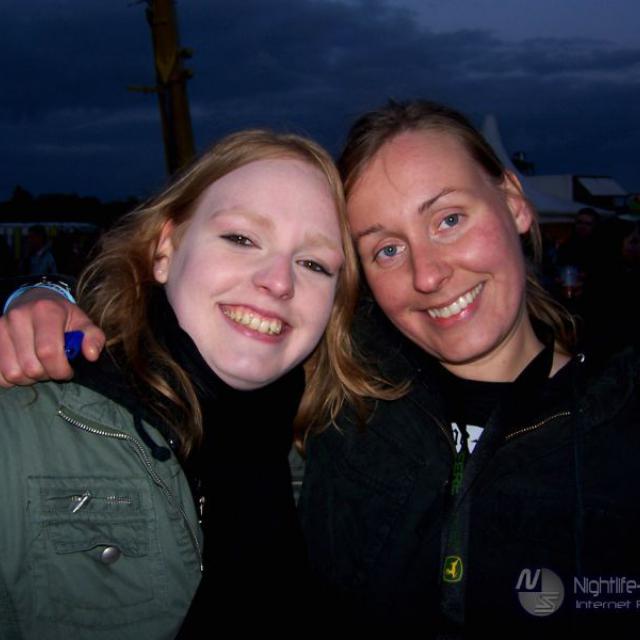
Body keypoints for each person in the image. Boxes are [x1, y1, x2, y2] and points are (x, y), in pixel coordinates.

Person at [3, 102, 640, 636]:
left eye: (449, 219)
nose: (427, 274)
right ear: (164, 247)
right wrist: (41, 298)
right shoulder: (352, 408)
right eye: (386, 249)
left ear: (515, 203)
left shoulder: (326, 407)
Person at [0, 129, 385, 637]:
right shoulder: (25, 428)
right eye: (241, 239)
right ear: (165, 249)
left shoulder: (331, 452)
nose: (279, 281)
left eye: (313, 263)